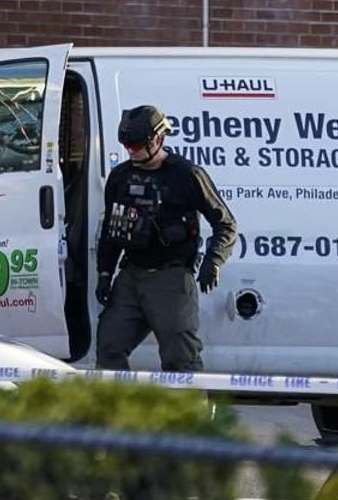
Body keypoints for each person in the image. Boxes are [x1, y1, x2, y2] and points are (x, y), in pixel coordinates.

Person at [95, 104, 238, 372]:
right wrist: (104, 274)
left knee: (180, 359)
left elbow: (226, 224)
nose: (131, 151)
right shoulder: (120, 177)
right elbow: (110, 233)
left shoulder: (185, 175)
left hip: (171, 279)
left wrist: (214, 261)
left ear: (158, 139)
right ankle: (116, 413)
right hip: (132, 275)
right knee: (109, 346)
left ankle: (188, 414)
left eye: (137, 145)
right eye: (127, 145)